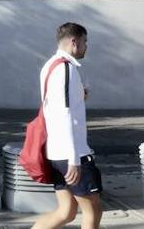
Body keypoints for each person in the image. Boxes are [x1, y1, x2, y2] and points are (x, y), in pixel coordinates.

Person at [31, 22, 101, 229]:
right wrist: (74, 159)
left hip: (55, 151)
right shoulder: (65, 68)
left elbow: (56, 105)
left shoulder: (50, 66)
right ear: (74, 41)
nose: (86, 46)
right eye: (85, 41)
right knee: (93, 210)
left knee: (66, 212)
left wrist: (80, 96)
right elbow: (65, 113)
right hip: (72, 153)